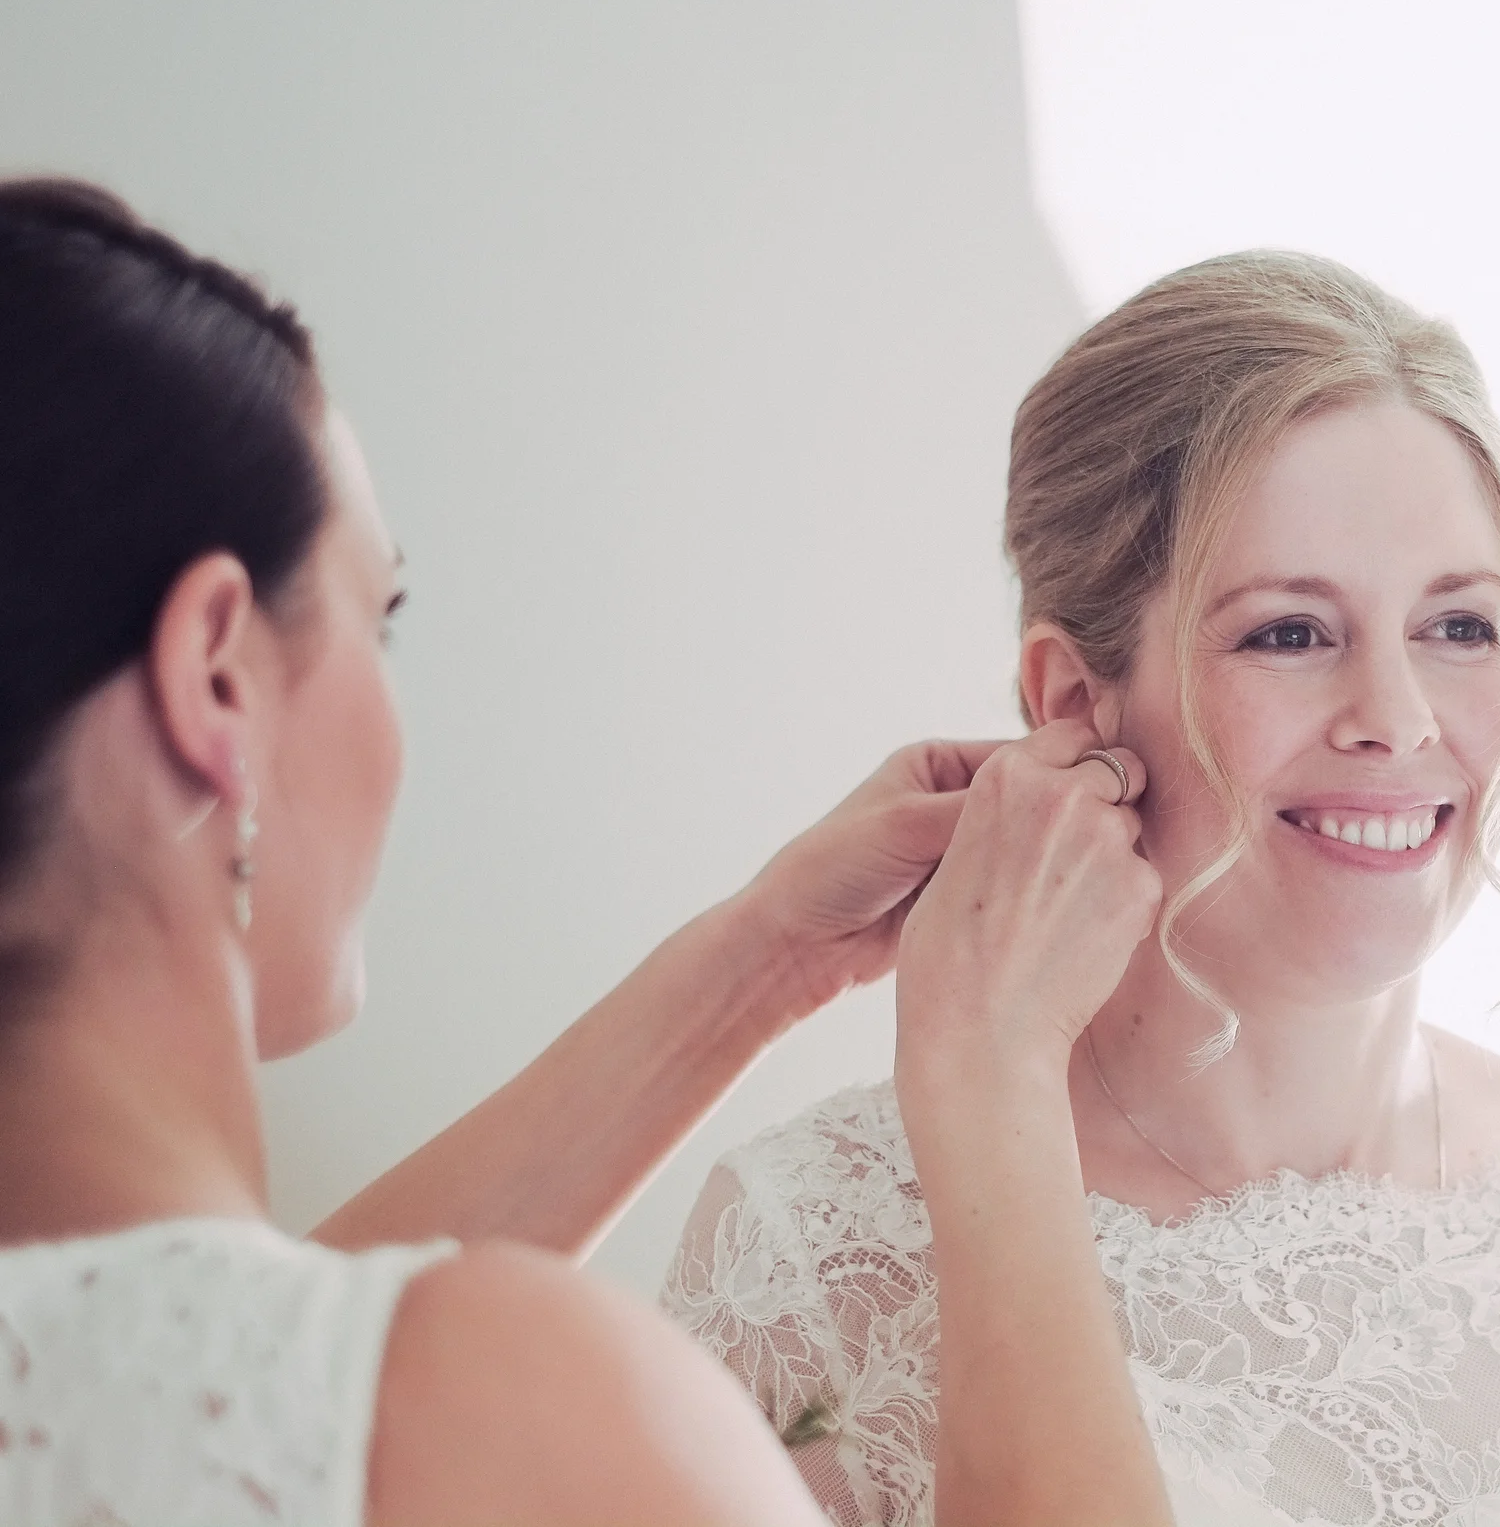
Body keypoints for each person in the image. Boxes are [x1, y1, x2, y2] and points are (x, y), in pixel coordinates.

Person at [0, 177, 1172, 1526]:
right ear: (218, 677)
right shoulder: (523, 1406)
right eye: (380, 614)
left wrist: (769, 957)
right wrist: (990, 1065)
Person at [667, 251, 1500, 1525]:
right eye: (1289, 632)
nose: (1398, 715)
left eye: (1459, 625)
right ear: (1074, 701)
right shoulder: (815, 1257)